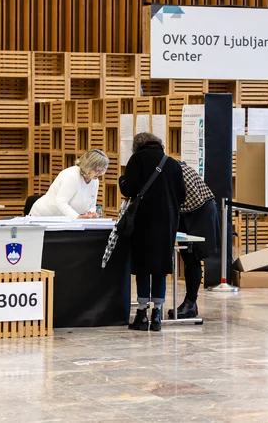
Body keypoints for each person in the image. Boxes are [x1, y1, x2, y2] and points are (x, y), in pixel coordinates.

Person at [119, 133, 185, 331]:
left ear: (137, 145)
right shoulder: (173, 164)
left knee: (142, 266)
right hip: (167, 221)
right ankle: (157, 314)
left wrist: (123, 181)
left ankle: (141, 314)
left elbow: (129, 189)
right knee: (160, 267)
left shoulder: (137, 160)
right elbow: (182, 196)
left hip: (143, 220)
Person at [170, 161, 219, 319]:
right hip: (192, 212)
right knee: (188, 257)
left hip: (199, 212)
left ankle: (190, 303)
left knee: (193, 257)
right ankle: (190, 303)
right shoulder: (171, 167)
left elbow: (192, 200)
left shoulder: (173, 170)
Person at [29, 149, 108, 219]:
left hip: (65, 219)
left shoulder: (94, 180)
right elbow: (61, 202)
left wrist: (91, 213)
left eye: (102, 170)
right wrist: (77, 217)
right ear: (88, 166)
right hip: (43, 217)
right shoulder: (72, 175)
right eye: (97, 170)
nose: (99, 173)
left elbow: (92, 204)